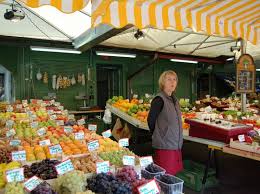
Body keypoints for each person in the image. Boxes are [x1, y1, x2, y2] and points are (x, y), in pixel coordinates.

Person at [147, 70, 183, 175]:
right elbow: (150, 120)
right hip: (165, 146)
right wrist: (159, 134)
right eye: (169, 79)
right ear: (163, 82)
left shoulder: (174, 100)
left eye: (174, 79)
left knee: (172, 175)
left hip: (175, 144)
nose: (172, 82)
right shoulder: (159, 99)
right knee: (164, 175)